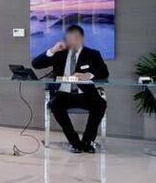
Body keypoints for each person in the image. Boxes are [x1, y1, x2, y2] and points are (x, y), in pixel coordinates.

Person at [31, 23, 109, 153]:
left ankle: (87, 141)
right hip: (64, 94)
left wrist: (87, 75)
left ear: (81, 38)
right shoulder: (59, 54)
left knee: (100, 104)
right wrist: (53, 50)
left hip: (86, 94)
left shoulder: (93, 54)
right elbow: (36, 64)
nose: (72, 41)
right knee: (56, 105)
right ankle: (75, 143)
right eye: (69, 38)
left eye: (75, 37)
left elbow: (104, 73)